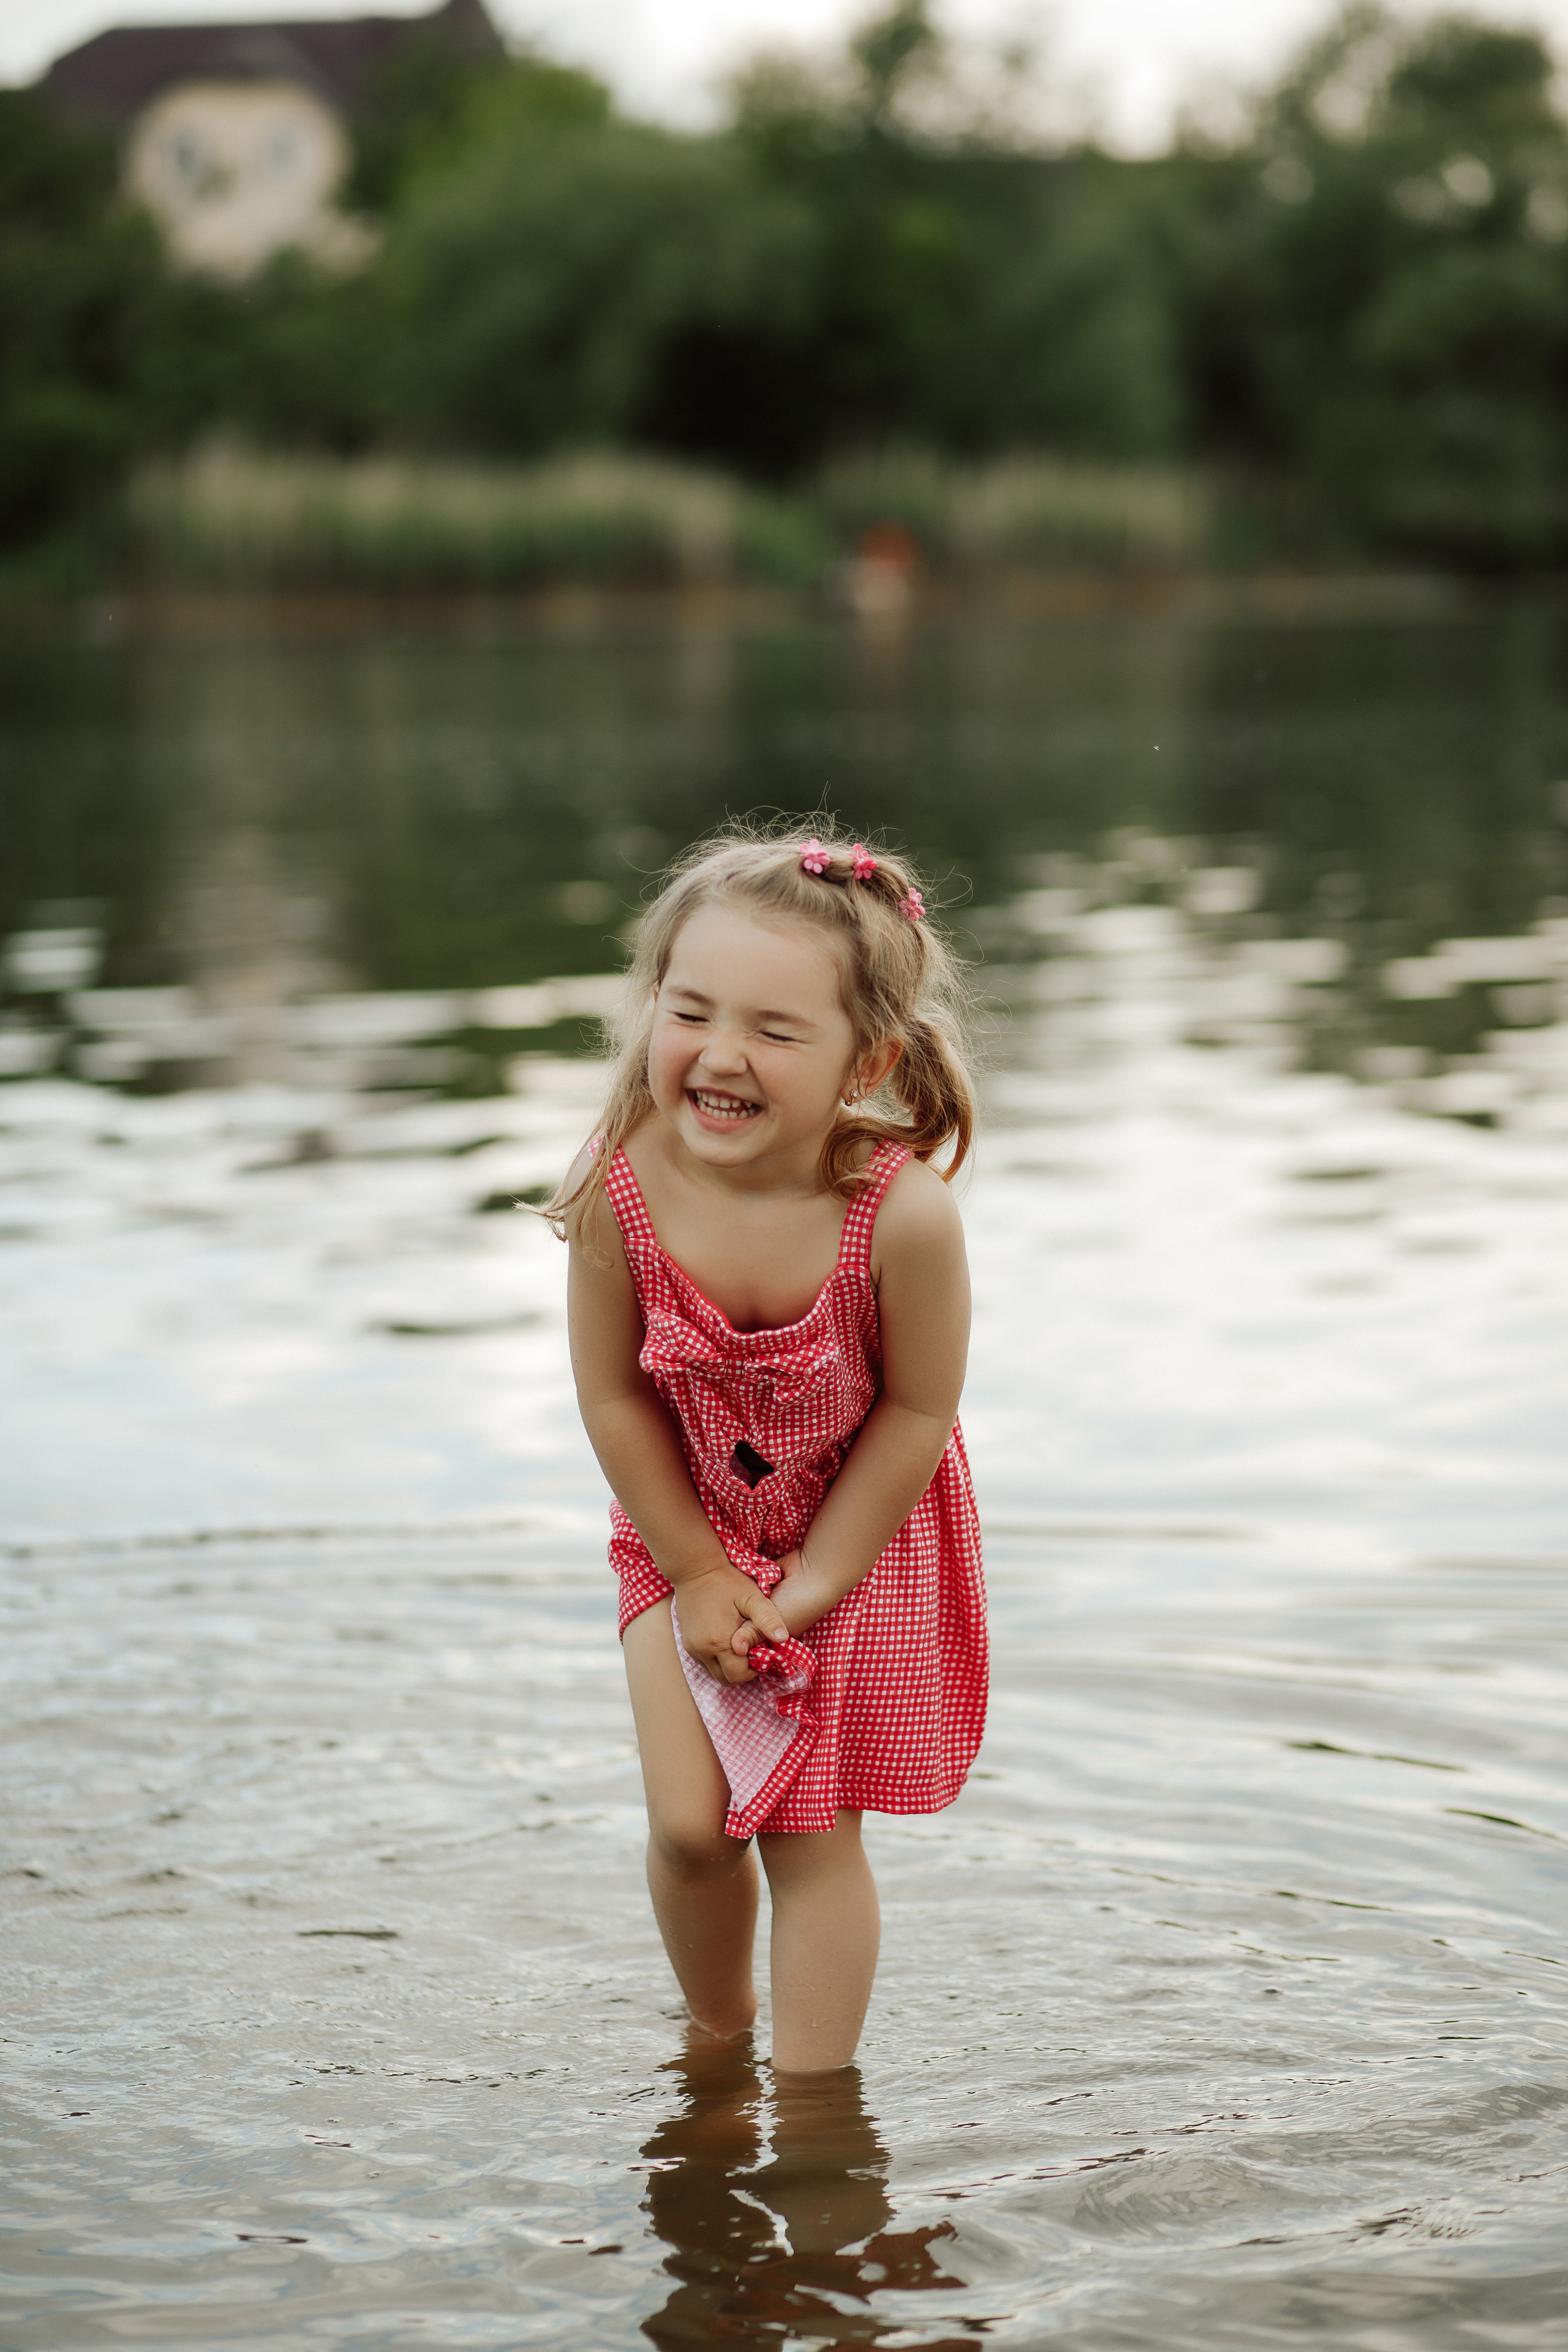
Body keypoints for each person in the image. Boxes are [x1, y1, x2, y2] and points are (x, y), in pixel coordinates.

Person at [549, 823, 987, 2074]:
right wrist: (696, 1573)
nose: (719, 1056)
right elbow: (612, 1399)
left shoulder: (899, 1217)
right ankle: (715, 2040)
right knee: (691, 1825)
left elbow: (914, 1417)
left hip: (850, 1541)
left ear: (870, 1059)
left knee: (804, 1833)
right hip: (678, 1532)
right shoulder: (620, 1187)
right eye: (689, 1012)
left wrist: (804, 1591)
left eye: (775, 1031)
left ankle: (812, 2114)